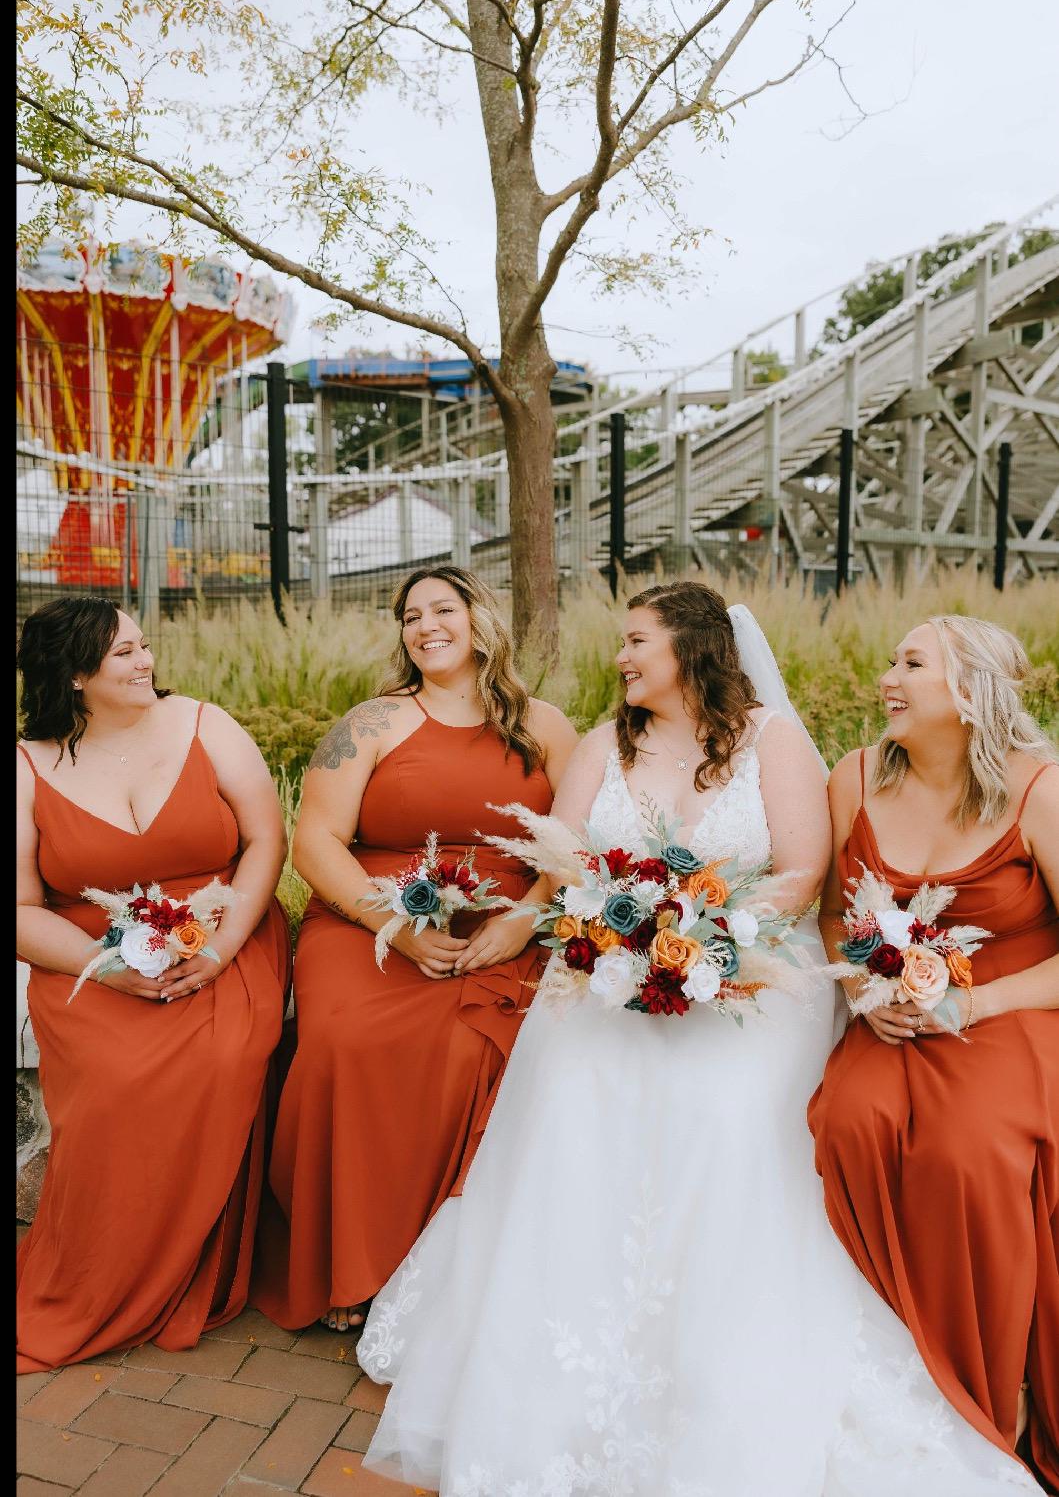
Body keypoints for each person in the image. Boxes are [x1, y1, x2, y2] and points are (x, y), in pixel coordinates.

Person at [355, 581, 1036, 1497]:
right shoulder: (603, 745)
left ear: (692, 647)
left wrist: (705, 932)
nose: (622, 657)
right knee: (570, 1095)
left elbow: (800, 876)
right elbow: (564, 863)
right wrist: (620, 936)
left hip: (748, 972)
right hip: (605, 971)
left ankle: (723, 1350)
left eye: (636, 640)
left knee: (727, 1111)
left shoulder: (773, 741)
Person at [251, 566, 578, 1333]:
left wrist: (526, 918)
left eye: (441, 610)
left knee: (473, 1050)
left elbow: (576, 842)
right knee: (346, 1040)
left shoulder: (546, 725)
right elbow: (315, 840)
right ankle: (348, 1264)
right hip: (371, 916)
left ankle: (445, 1267)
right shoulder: (370, 723)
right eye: (409, 616)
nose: (424, 625)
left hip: (503, 923)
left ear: (478, 619)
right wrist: (392, 925)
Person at [809, 614, 1059, 1491]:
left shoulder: (1036, 791)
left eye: (910, 662)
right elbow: (834, 912)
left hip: (1016, 1005)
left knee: (966, 1155)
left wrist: (978, 1000)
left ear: (967, 691)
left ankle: (989, 1394)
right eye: (889, 656)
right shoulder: (855, 776)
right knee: (847, 1121)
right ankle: (890, 1372)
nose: (887, 675)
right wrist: (858, 992)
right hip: (896, 1009)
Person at [16, 597, 290, 1371]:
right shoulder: (27, 766)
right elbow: (20, 907)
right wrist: (105, 967)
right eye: (123, 656)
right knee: (112, 1079)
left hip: (224, 936)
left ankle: (191, 1266)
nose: (146, 665)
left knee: (224, 1057)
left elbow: (267, 838)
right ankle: (105, 1276)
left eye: (144, 647)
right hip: (90, 959)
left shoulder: (206, 724)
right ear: (75, 676)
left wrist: (226, 944)